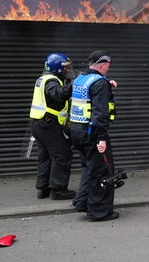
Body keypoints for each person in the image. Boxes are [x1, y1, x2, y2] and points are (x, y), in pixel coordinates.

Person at [70, 50, 119, 222]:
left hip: (77, 131)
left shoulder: (80, 79)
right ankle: (98, 211)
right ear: (102, 64)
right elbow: (100, 114)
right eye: (108, 64)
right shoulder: (99, 83)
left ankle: (83, 202)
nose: (109, 67)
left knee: (88, 168)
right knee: (100, 170)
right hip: (92, 134)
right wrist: (102, 138)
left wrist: (107, 86)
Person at [30, 53, 75, 200]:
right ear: (57, 67)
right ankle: (58, 190)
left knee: (46, 157)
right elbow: (59, 95)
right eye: (65, 67)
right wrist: (73, 84)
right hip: (49, 124)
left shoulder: (43, 79)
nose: (67, 70)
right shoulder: (51, 81)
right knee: (62, 155)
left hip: (40, 124)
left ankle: (43, 189)